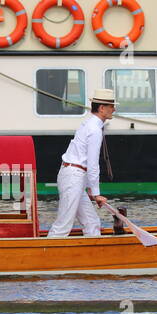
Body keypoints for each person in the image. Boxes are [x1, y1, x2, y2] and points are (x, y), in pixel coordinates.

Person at [47, 88, 115, 238]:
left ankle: (93, 257)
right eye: (111, 106)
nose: (114, 109)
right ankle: (45, 257)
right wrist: (96, 193)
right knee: (63, 225)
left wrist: (90, 187)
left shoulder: (89, 124)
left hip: (74, 176)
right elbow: (92, 164)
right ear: (102, 108)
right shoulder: (95, 129)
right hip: (74, 177)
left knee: (92, 222)